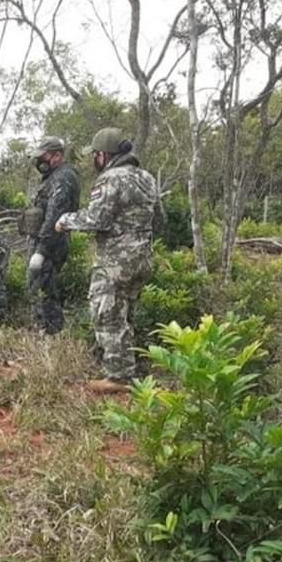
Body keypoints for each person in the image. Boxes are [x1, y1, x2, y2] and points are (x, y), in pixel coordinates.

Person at [56, 127, 159, 393]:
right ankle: (129, 366)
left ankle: (118, 377)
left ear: (103, 155)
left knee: (107, 314)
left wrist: (65, 221)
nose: (94, 160)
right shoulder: (147, 178)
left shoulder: (110, 178)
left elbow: (96, 219)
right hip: (142, 257)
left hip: (115, 261)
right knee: (126, 313)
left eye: (95, 155)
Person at [24, 137, 80, 334]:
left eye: (43, 157)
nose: (40, 162)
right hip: (43, 241)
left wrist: (41, 250)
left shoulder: (63, 177)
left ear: (57, 156)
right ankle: (42, 330)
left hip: (51, 243)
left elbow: (55, 215)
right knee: (37, 288)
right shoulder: (51, 177)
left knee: (44, 290)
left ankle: (50, 333)